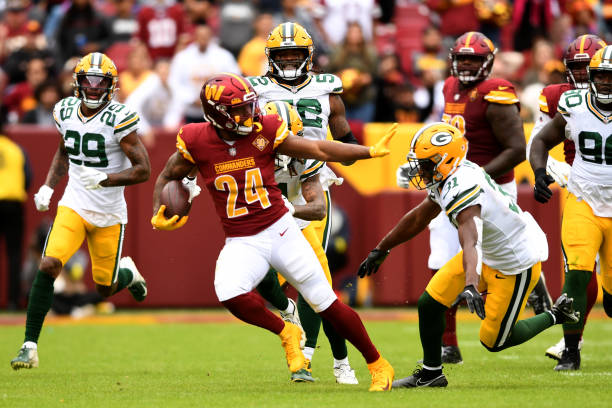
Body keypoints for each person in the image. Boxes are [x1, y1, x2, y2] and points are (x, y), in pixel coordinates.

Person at [150, 73, 396, 391]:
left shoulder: (265, 128)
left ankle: (379, 365)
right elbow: (167, 176)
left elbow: (318, 148)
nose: (248, 115)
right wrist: (159, 210)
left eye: (249, 106)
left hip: (281, 230)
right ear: (216, 114)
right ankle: (286, 331)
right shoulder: (196, 139)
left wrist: (366, 152)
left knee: (325, 301)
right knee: (229, 293)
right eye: (238, 110)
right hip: (241, 240)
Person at [360, 122, 579, 388]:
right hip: (487, 252)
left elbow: (470, 240)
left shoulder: (461, 186)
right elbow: (419, 216)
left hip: (515, 262)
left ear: (446, 160)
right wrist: (382, 247)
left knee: (494, 341)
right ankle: (432, 374)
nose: (421, 170)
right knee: (429, 304)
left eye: (427, 163)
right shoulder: (450, 175)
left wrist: (470, 284)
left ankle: (556, 314)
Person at [397, 31, 551, 365]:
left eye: (474, 59)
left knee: (488, 253)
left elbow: (515, 150)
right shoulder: (450, 85)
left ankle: (532, 280)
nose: (467, 64)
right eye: (462, 58)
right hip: (452, 181)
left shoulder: (496, 92)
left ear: (488, 63)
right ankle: (449, 344)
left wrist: (473, 177)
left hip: (491, 187)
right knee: (443, 256)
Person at [10, 52, 151, 370]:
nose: (93, 87)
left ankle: (128, 274)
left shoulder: (119, 118)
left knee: (105, 286)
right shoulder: (65, 110)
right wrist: (48, 185)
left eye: (100, 81)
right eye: (88, 79)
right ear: (77, 82)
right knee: (49, 264)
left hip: (109, 214)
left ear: (111, 86)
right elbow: (64, 152)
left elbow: (144, 169)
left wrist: (107, 178)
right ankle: (29, 345)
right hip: (73, 205)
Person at [247, 22, 362, 384]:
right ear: (271, 58)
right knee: (260, 272)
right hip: (270, 183)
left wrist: (358, 151)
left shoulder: (328, 88)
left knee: (317, 276)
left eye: (296, 54)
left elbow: (344, 138)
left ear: (309, 56)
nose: (291, 60)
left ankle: (314, 357)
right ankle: (286, 310)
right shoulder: (256, 89)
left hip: (309, 177)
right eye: (283, 55)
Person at [529, 44, 612, 373]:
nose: (605, 83)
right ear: (591, 77)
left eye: (611, 77)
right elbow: (539, 140)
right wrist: (538, 173)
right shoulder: (574, 104)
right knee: (576, 275)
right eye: (601, 77)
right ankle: (571, 350)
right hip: (583, 200)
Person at [0, 120, 32, 310]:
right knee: (14, 254)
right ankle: (13, 301)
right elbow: (27, 176)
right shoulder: (16, 149)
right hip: (13, 203)